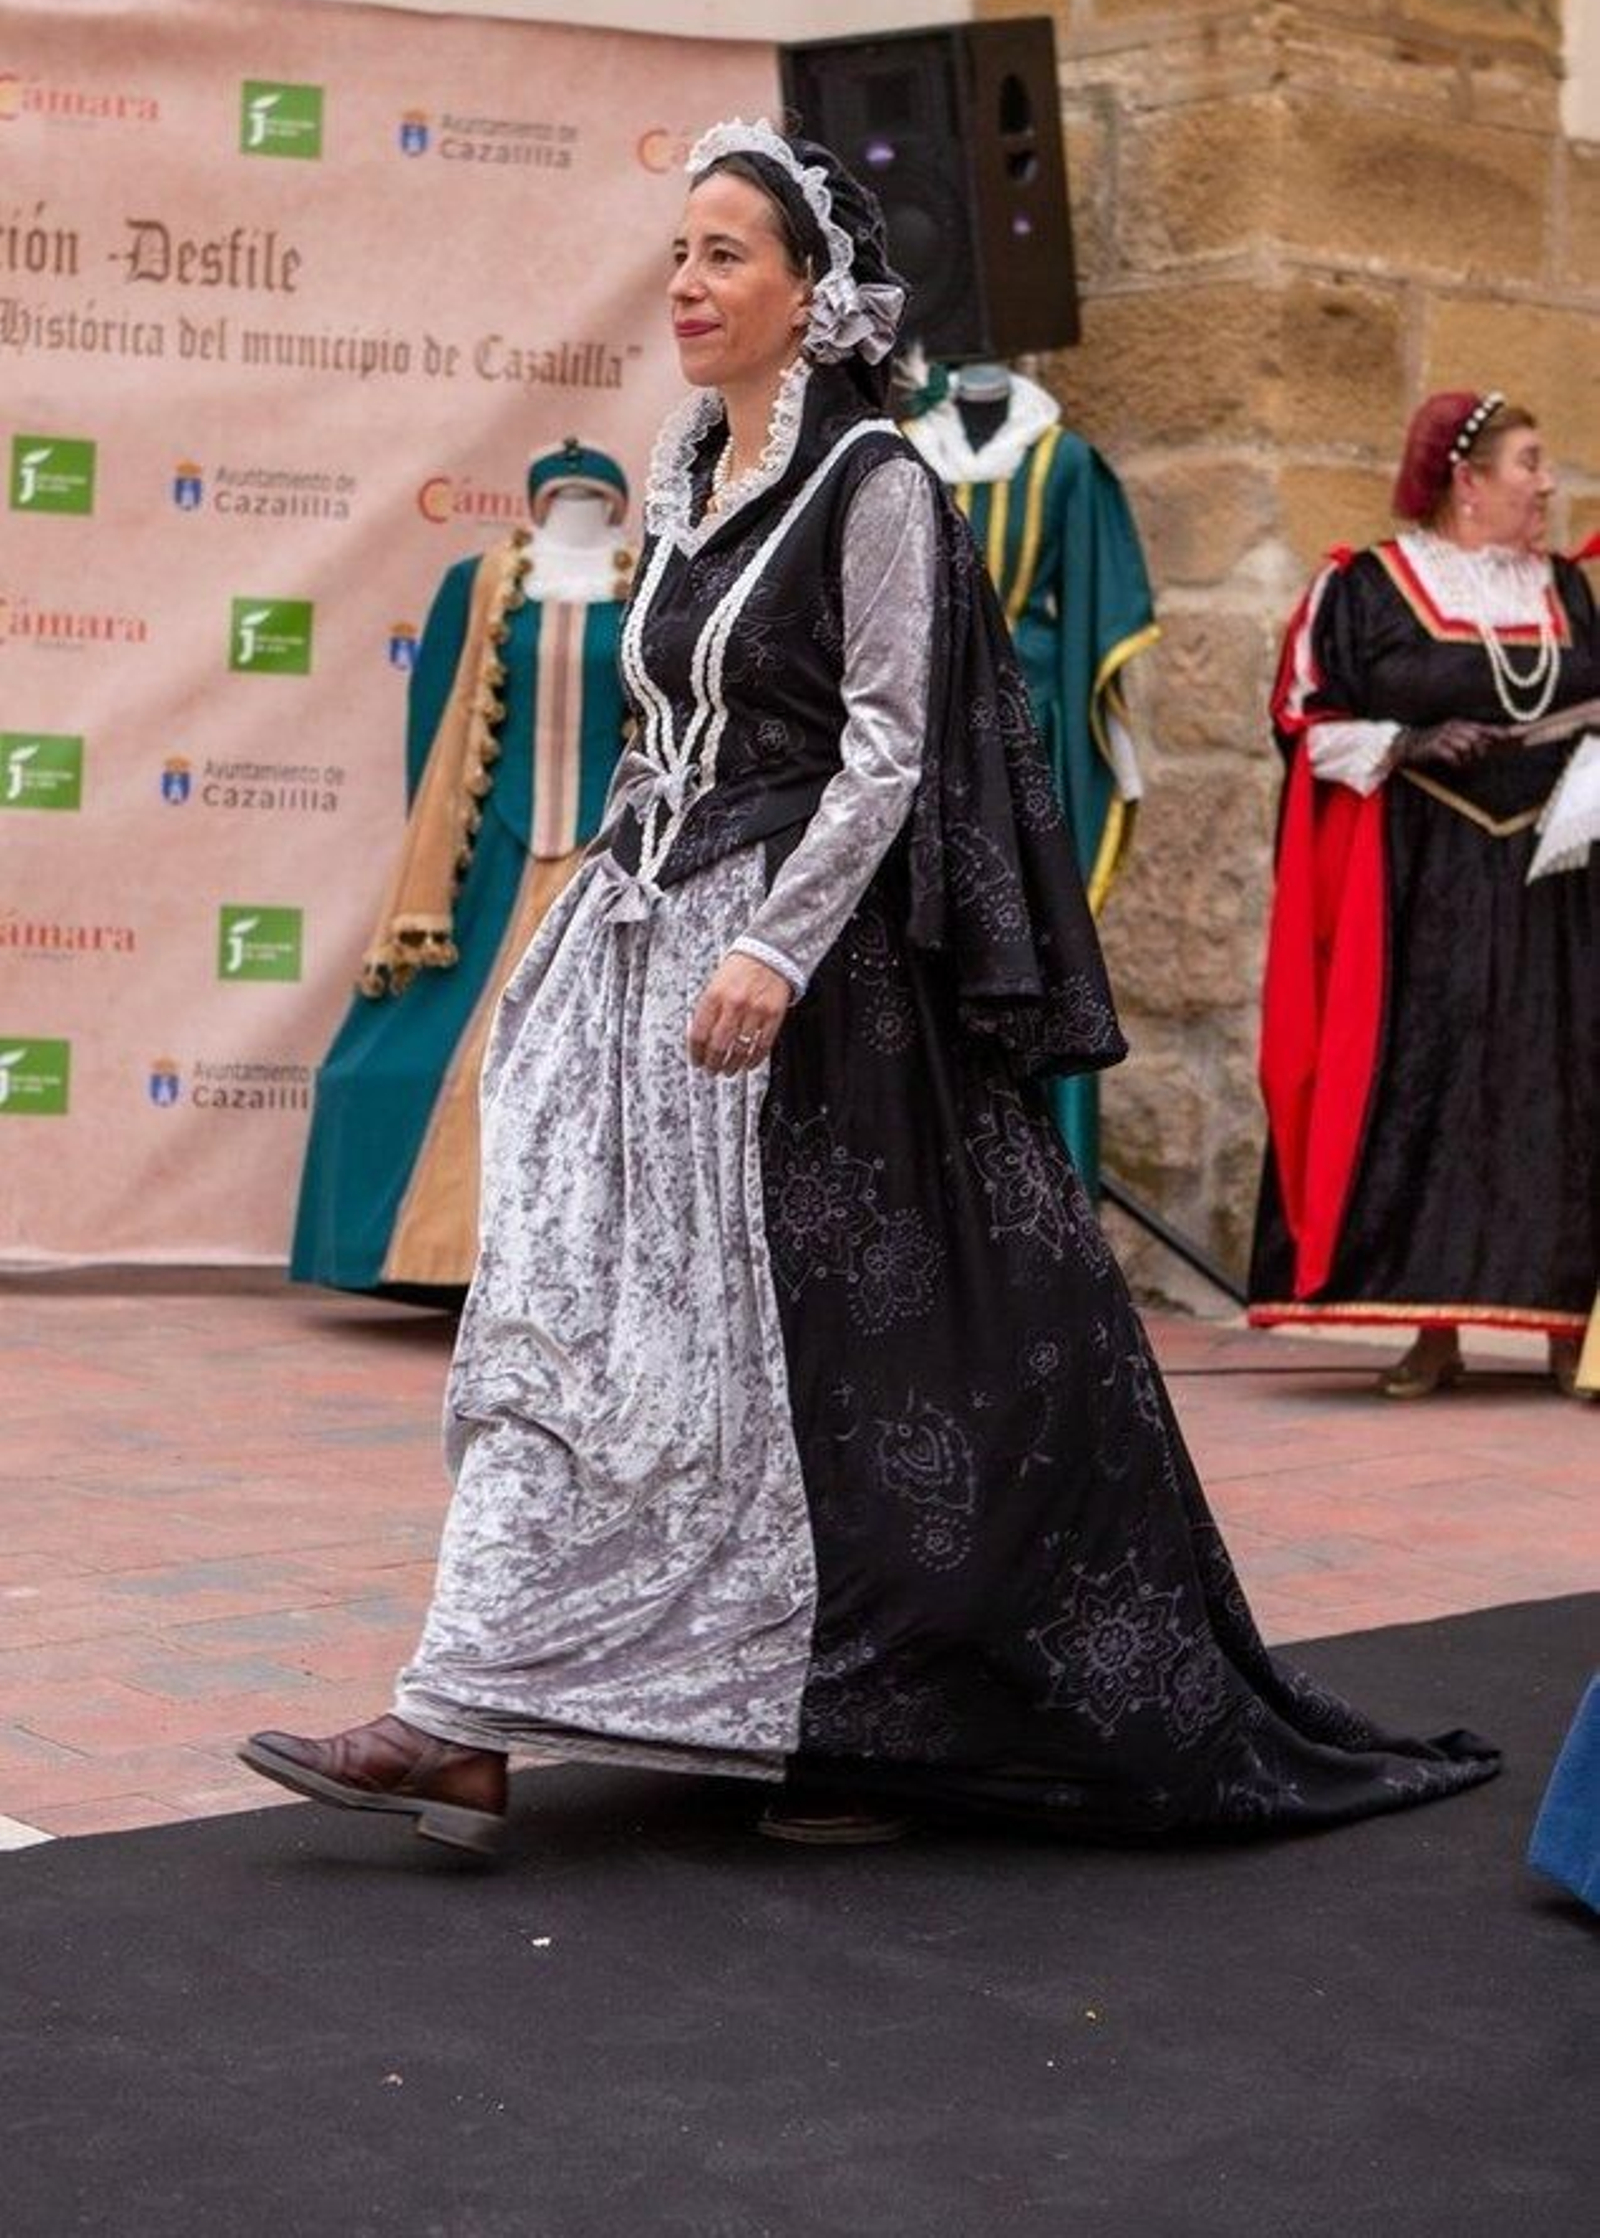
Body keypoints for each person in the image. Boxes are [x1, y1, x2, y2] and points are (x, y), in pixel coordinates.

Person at [240, 121, 1497, 1859]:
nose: (685, 282)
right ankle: (471, 1712)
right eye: (676, 252)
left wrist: (770, 943)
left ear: (816, 296)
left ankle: (832, 1715)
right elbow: (661, 736)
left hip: (810, 1001)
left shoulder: (879, 484)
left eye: (724, 255)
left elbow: (889, 747)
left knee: (838, 1376)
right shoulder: (684, 469)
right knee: (576, 1344)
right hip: (641, 969)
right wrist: (592, 920)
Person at [1248, 392, 1599, 1399]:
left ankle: (1566, 1327)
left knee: (1555, 1090)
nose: (1544, 483)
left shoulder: (1568, 593)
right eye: (1528, 462)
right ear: (1467, 479)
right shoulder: (1368, 587)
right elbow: (1302, 717)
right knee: (1429, 1087)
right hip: (1419, 882)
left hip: (1557, 882)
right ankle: (1431, 1325)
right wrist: (1406, 741)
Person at [289, 445, 632, 1298]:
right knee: (389, 1066)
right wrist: (438, 863)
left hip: (610, 863)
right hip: (493, 857)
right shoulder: (476, 582)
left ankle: (574, 1280)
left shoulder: (652, 579)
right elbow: (434, 727)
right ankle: (436, 1259)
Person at [900, 355, 1157, 1197]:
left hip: (1025, 729)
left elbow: (1095, 609)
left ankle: (1051, 1199)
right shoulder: (903, 450)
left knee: (1031, 944)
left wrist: (1093, 757)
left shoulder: (1065, 461)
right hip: (910, 723)